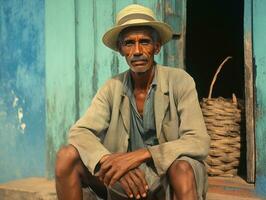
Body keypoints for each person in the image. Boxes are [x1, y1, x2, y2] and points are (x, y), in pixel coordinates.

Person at [55, 4, 210, 200]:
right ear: (121, 50)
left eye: (144, 42)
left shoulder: (180, 81)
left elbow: (199, 141)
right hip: (127, 179)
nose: (137, 51)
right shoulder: (112, 87)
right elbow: (79, 132)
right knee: (66, 157)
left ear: (157, 46)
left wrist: (141, 155)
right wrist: (108, 160)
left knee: (183, 168)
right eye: (129, 43)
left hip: (166, 178)